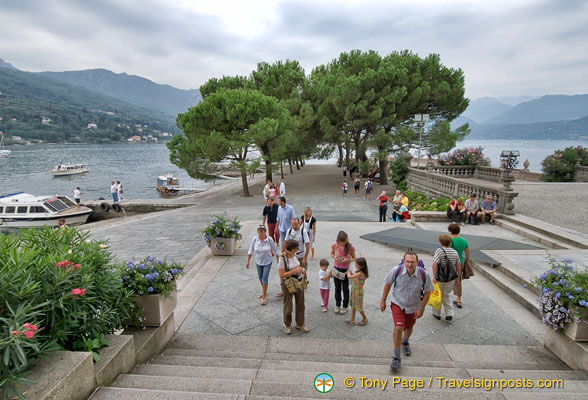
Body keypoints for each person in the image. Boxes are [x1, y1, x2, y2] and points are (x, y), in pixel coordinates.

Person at [380, 251, 433, 370]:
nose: (409, 264)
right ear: (404, 261)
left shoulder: (424, 275)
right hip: (398, 303)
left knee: (408, 328)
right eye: (407, 262)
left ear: (416, 263)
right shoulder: (396, 271)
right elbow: (388, 284)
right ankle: (396, 356)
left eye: (412, 262)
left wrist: (421, 308)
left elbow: (429, 291)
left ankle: (405, 341)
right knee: (398, 327)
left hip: (413, 306)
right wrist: (383, 300)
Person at [279, 239, 308, 334]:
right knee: (288, 305)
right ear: (291, 249)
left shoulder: (294, 255)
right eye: (296, 248)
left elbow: (297, 266)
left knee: (300, 304)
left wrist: (302, 269)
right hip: (288, 283)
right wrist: (294, 271)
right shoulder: (282, 258)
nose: (297, 250)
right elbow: (282, 275)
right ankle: (287, 324)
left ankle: (300, 323)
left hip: (298, 282)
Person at [246, 225, 279, 305]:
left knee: (264, 278)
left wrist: (278, 259)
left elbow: (274, 249)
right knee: (260, 278)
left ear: (265, 232)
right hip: (258, 261)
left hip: (267, 261)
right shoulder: (255, 239)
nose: (260, 233)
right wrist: (248, 261)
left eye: (262, 231)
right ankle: (264, 290)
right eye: (259, 231)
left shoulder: (269, 239)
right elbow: (251, 249)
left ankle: (264, 296)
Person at [431, 234, 461, 321]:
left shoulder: (439, 251)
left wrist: (434, 276)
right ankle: (449, 313)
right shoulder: (454, 252)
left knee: (438, 294)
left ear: (440, 242)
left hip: (440, 277)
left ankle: (437, 313)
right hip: (450, 277)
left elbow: (435, 264)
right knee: (447, 295)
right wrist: (457, 277)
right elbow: (458, 266)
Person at [330, 231, 356, 315]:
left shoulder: (350, 247)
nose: (342, 244)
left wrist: (347, 260)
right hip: (336, 268)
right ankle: (337, 304)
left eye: (344, 242)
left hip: (345, 270)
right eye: (340, 242)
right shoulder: (334, 244)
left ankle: (345, 306)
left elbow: (354, 258)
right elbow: (332, 253)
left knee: (345, 288)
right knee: (337, 288)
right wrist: (335, 257)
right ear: (338, 241)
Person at [448, 223, 470, 309]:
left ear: (450, 231)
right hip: (460, 262)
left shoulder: (449, 241)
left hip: (451, 262)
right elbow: (468, 253)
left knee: (447, 279)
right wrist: (466, 261)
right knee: (458, 280)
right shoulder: (464, 241)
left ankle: (446, 296)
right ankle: (458, 299)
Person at [346, 257, 369, 326]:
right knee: (353, 305)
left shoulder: (360, 273)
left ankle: (365, 319)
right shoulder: (359, 272)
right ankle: (352, 320)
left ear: (361, 266)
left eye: (356, 264)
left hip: (358, 292)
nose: (355, 265)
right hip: (354, 290)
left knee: (359, 306)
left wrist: (348, 272)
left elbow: (350, 277)